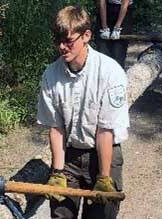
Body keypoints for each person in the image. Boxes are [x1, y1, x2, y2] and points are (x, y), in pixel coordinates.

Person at [37, 5, 129, 219]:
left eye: (68, 41)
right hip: (70, 155)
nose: (62, 47)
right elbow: (56, 128)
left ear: (86, 35)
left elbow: (105, 130)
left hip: (104, 154)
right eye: (58, 41)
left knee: (100, 214)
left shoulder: (110, 72)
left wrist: (104, 177)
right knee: (60, 214)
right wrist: (58, 172)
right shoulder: (51, 75)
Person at [96, 0, 134, 68]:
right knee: (102, 51)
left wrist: (117, 27)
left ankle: (118, 75)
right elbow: (102, 2)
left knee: (118, 52)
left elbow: (125, 4)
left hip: (123, 11)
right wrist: (104, 27)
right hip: (107, 9)